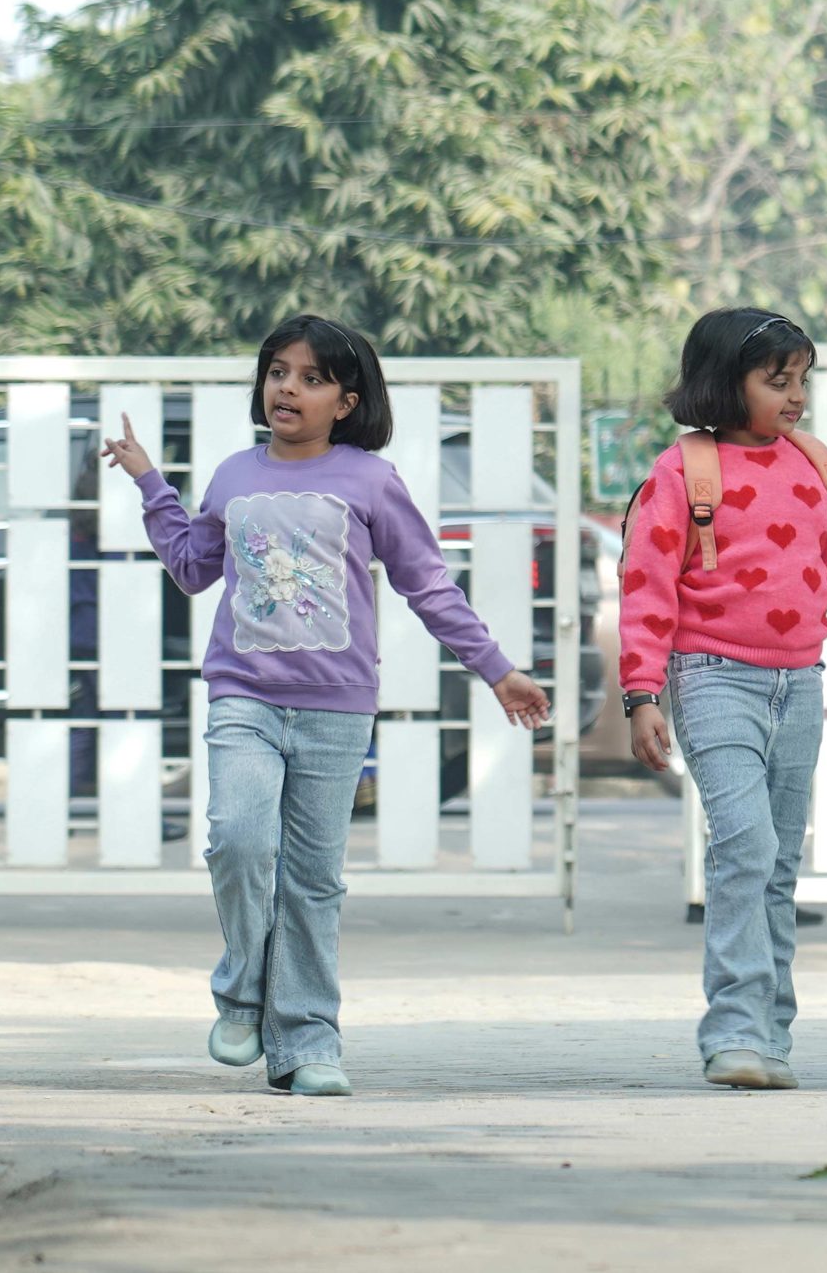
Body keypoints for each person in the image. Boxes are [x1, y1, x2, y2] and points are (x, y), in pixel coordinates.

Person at [103, 316, 551, 1098]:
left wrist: (497, 669)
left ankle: (307, 1040)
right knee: (239, 841)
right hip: (243, 694)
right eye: (279, 371)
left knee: (313, 878)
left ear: (346, 401)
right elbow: (192, 568)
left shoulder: (370, 480)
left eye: (312, 378)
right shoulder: (235, 475)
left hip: (337, 708)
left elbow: (427, 585)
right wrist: (151, 484)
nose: (288, 388)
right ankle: (243, 990)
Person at [620, 308, 827, 1090]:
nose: (796, 395)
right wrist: (641, 693)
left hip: (799, 685)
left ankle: (771, 1035)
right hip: (710, 677)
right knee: (745, 844)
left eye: (802, 379)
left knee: (776, 863)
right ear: (723, 382)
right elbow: (647, 587)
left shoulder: (815, 465)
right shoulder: (682, 470)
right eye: (778, 380)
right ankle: (734, 1030)